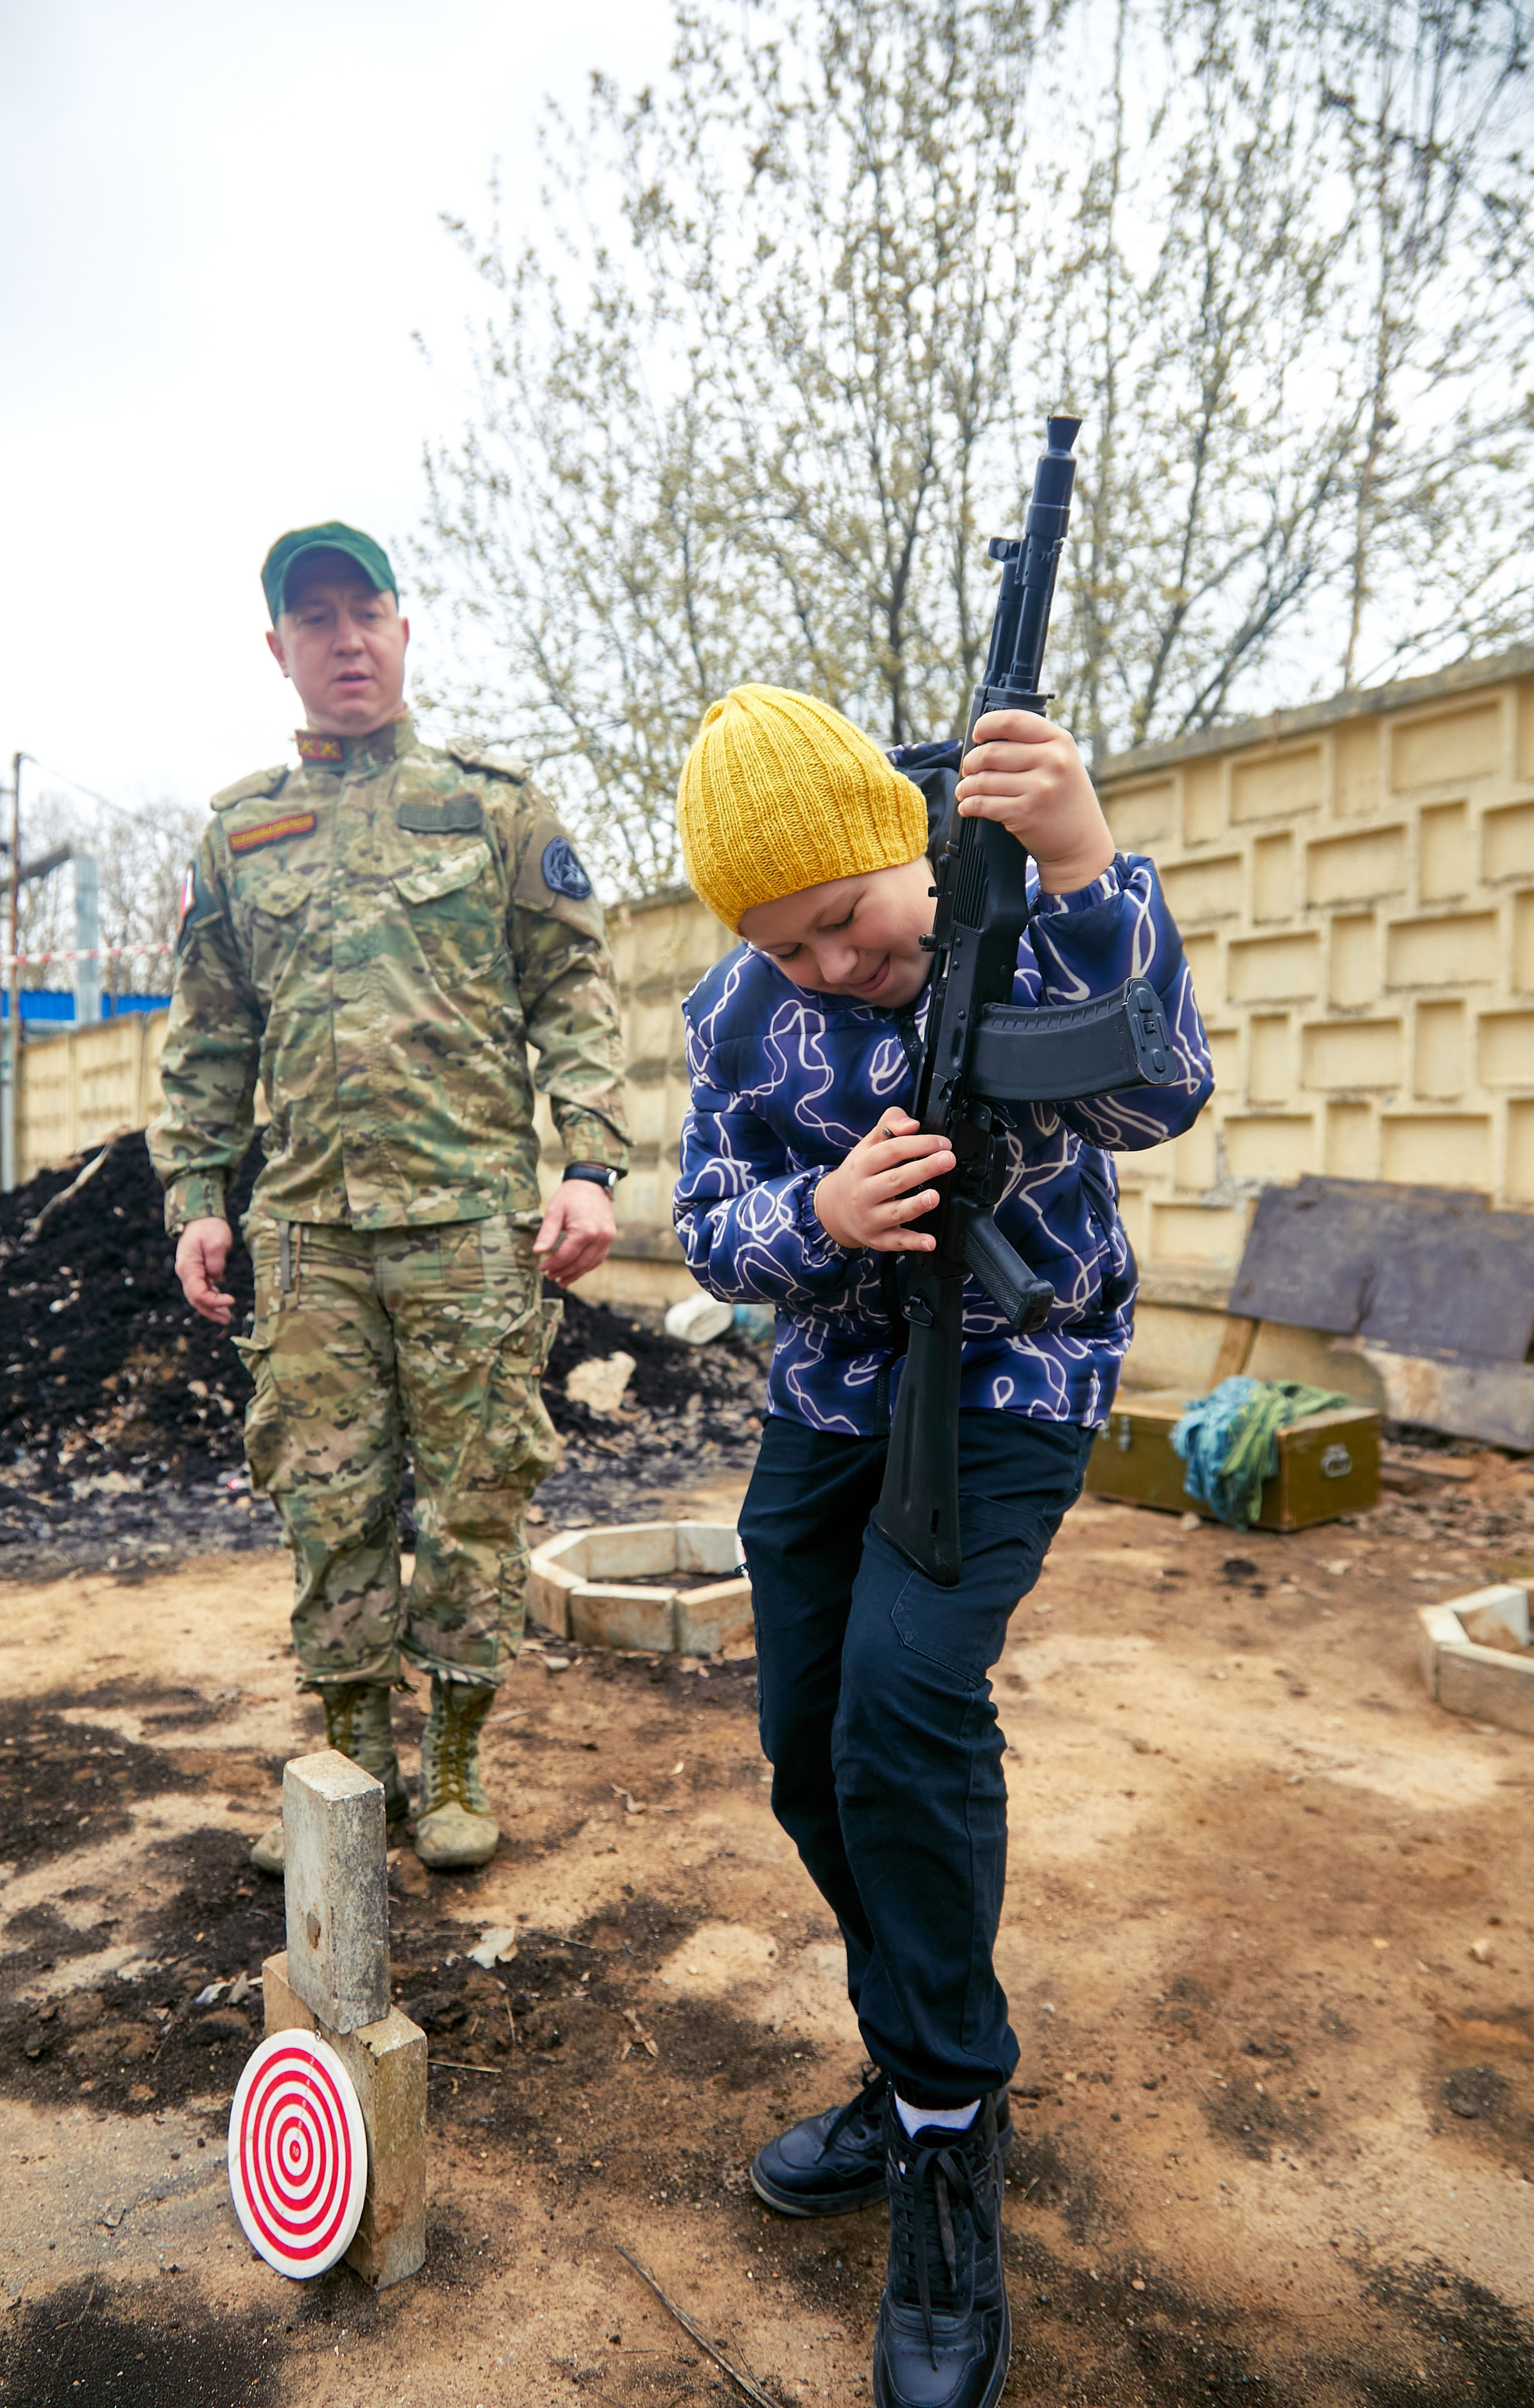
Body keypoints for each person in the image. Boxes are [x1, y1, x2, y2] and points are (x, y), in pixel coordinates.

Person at [671, 685, 1212, 2408]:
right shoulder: (739, 1009)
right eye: (789, 946)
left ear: (897, 850)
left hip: (1013, 1380)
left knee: (904, 1713)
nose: (827, 967)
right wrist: (810, 1220)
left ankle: (945, 2137)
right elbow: (703, 1219)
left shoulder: (1030, 899)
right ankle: (911, 2055)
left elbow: (1161, 1102)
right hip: (831, 1397)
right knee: (807, 1757)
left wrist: (1082, 855)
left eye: (843, 920)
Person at [150, 522, 628, 1873]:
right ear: (279, 649)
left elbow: (576, 1001)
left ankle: (458, 1759)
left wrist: (587, 1165)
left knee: (476, 1495)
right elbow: (207, 1039)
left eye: (366, 613)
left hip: (471, 1222)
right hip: (302, 1231)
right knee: (327, 1498)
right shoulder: (242, 832)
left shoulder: (493, 809)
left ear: (403, 630)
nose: (345, 640)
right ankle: (357, 1758)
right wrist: (197, 1193)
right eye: (316, 621)